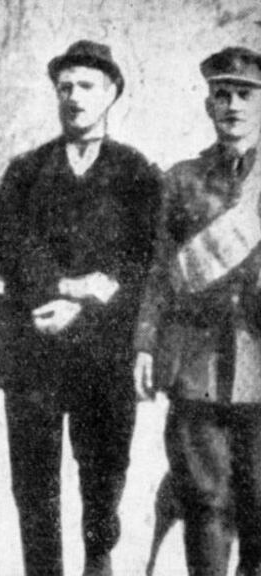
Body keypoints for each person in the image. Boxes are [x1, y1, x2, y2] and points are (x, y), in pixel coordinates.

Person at [0, 40, 162, 576]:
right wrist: (64, 288)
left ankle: (97, 561)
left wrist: (86, 308)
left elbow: (143, 262)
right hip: (32, 338)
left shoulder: (139, 175)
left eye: (87, 86)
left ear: (111, 94)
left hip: (103, 349)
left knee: (103, 475)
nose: (74, 97)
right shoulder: (26, 170)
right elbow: (11, 249)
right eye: (65, 87)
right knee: (32, 482)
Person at [133, 46, 261, 576]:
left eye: (245, 94)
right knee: (204, 501)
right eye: (221, 94)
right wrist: (143, 342)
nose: (232, 104)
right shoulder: (181, 180)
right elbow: (159, 269)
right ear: (208, 104)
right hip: (196, 364)